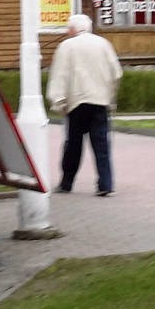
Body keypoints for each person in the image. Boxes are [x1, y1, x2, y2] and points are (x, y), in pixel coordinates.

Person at [46, 13, 123, 197]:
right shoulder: (103, 44)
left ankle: (67, 183)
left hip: (77, 103)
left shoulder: (66, 46)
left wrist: (58, 102)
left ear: (73, 29)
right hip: (99, 102)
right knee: (102, 145)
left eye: (68, 29)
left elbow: (60, 75)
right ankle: (106, 184)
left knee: (73, 145)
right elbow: (116, 73)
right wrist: (109, 96)